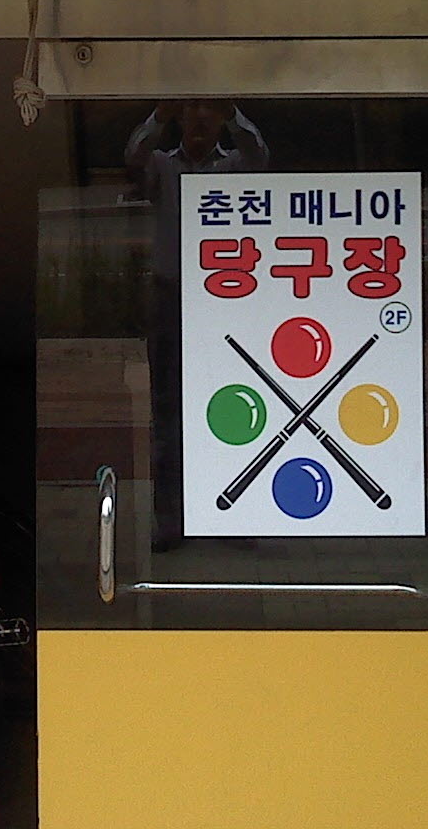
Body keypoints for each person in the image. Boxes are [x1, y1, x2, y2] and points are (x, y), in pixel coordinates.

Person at [123, 100, 269, 549]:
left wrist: (233, 113)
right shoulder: (164, 167)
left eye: (210, 114)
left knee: (232, 406)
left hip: (225, 301)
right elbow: (133, 158)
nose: (201, 121)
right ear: (182, 120)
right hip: (171, 296)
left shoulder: (234, 166)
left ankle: (229, 515)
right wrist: (159, 115)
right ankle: (171, 521)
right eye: (193, 113)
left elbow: (259, 155)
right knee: (168, 413)